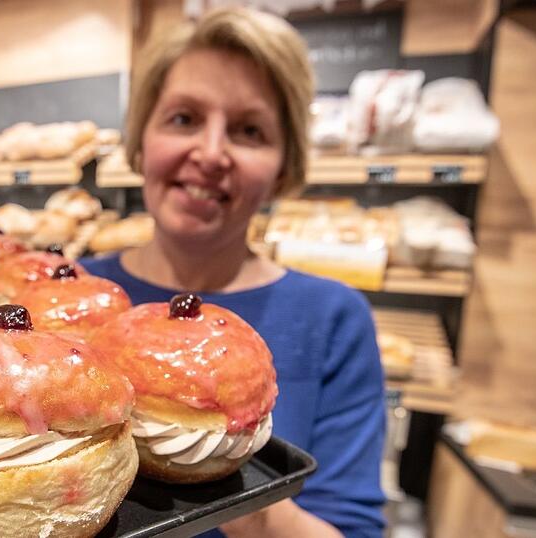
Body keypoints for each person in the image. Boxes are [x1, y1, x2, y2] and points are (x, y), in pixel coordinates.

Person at [81, 7, 385, 538]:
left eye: (248, 130)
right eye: (183, 119)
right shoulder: (76, 298)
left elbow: (353, 529)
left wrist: (234, 484)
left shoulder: (332, 318)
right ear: (141, 138)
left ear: (283, 167)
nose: (211, 152)